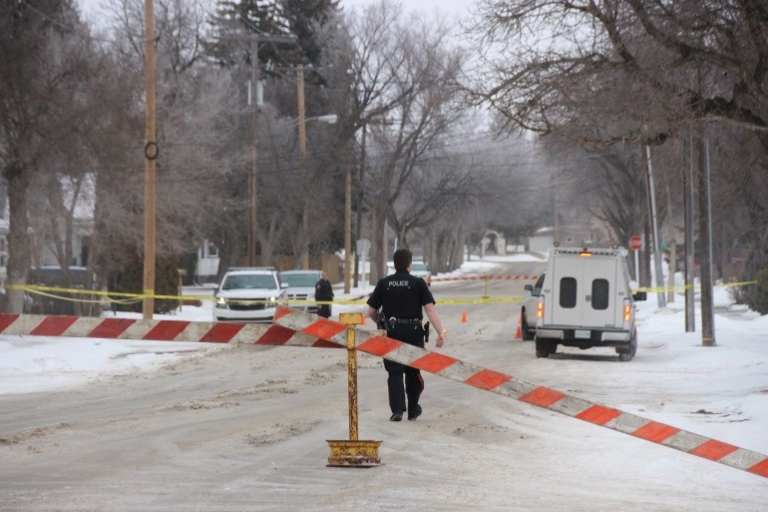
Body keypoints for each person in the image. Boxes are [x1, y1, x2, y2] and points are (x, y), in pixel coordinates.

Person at [367, 249, 446, 422]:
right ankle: (412, 409)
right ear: (409, 264)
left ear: (394, 264)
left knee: (394, 372)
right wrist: (440, 332)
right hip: (413, 332)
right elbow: (430, 309)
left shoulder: (384, 283)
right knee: (412, 371)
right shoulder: (418, 283)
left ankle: (397, 410)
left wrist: (381, 324)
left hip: (392, 332)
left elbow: (371, 310)